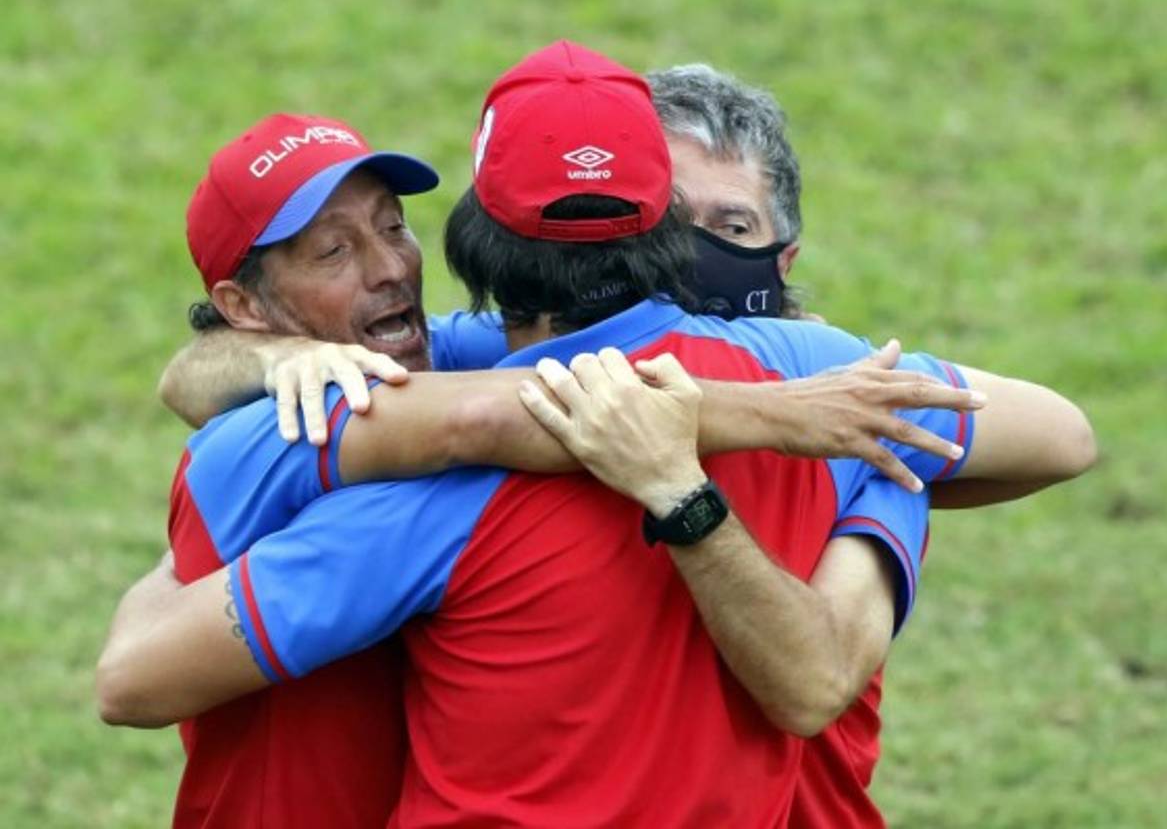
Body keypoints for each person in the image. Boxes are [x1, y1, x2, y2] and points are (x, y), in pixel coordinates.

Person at [98, 41, 1093, 826]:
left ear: (477, 240)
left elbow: (134, 677)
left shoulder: (422, 473)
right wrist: (803, 426)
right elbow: (1059, 436)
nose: (388, 269)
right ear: (662, 229)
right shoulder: (835, 393)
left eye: (393, 228)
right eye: (333, 250)